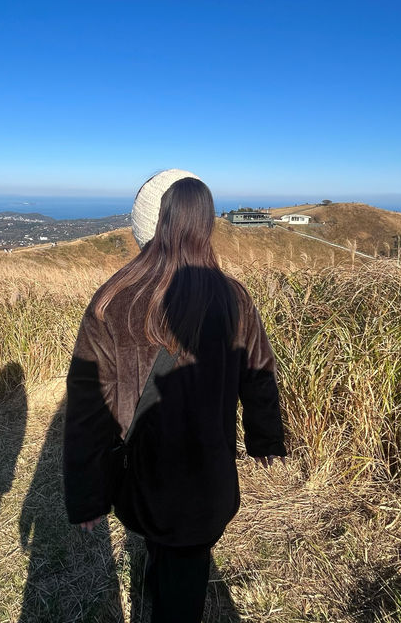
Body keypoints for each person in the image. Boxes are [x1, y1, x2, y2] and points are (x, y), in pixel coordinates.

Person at [63, 169, 287, 622]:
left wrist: (87, 494)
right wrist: (264, 438)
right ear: (203, 224)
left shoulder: (113, 299)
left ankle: (158, 586)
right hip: (208, 472)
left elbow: (89, 402)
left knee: (161, 542)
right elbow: (259, 373)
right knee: (186, 566)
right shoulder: (234, 297)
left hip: (142, 473)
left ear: (149, 225)